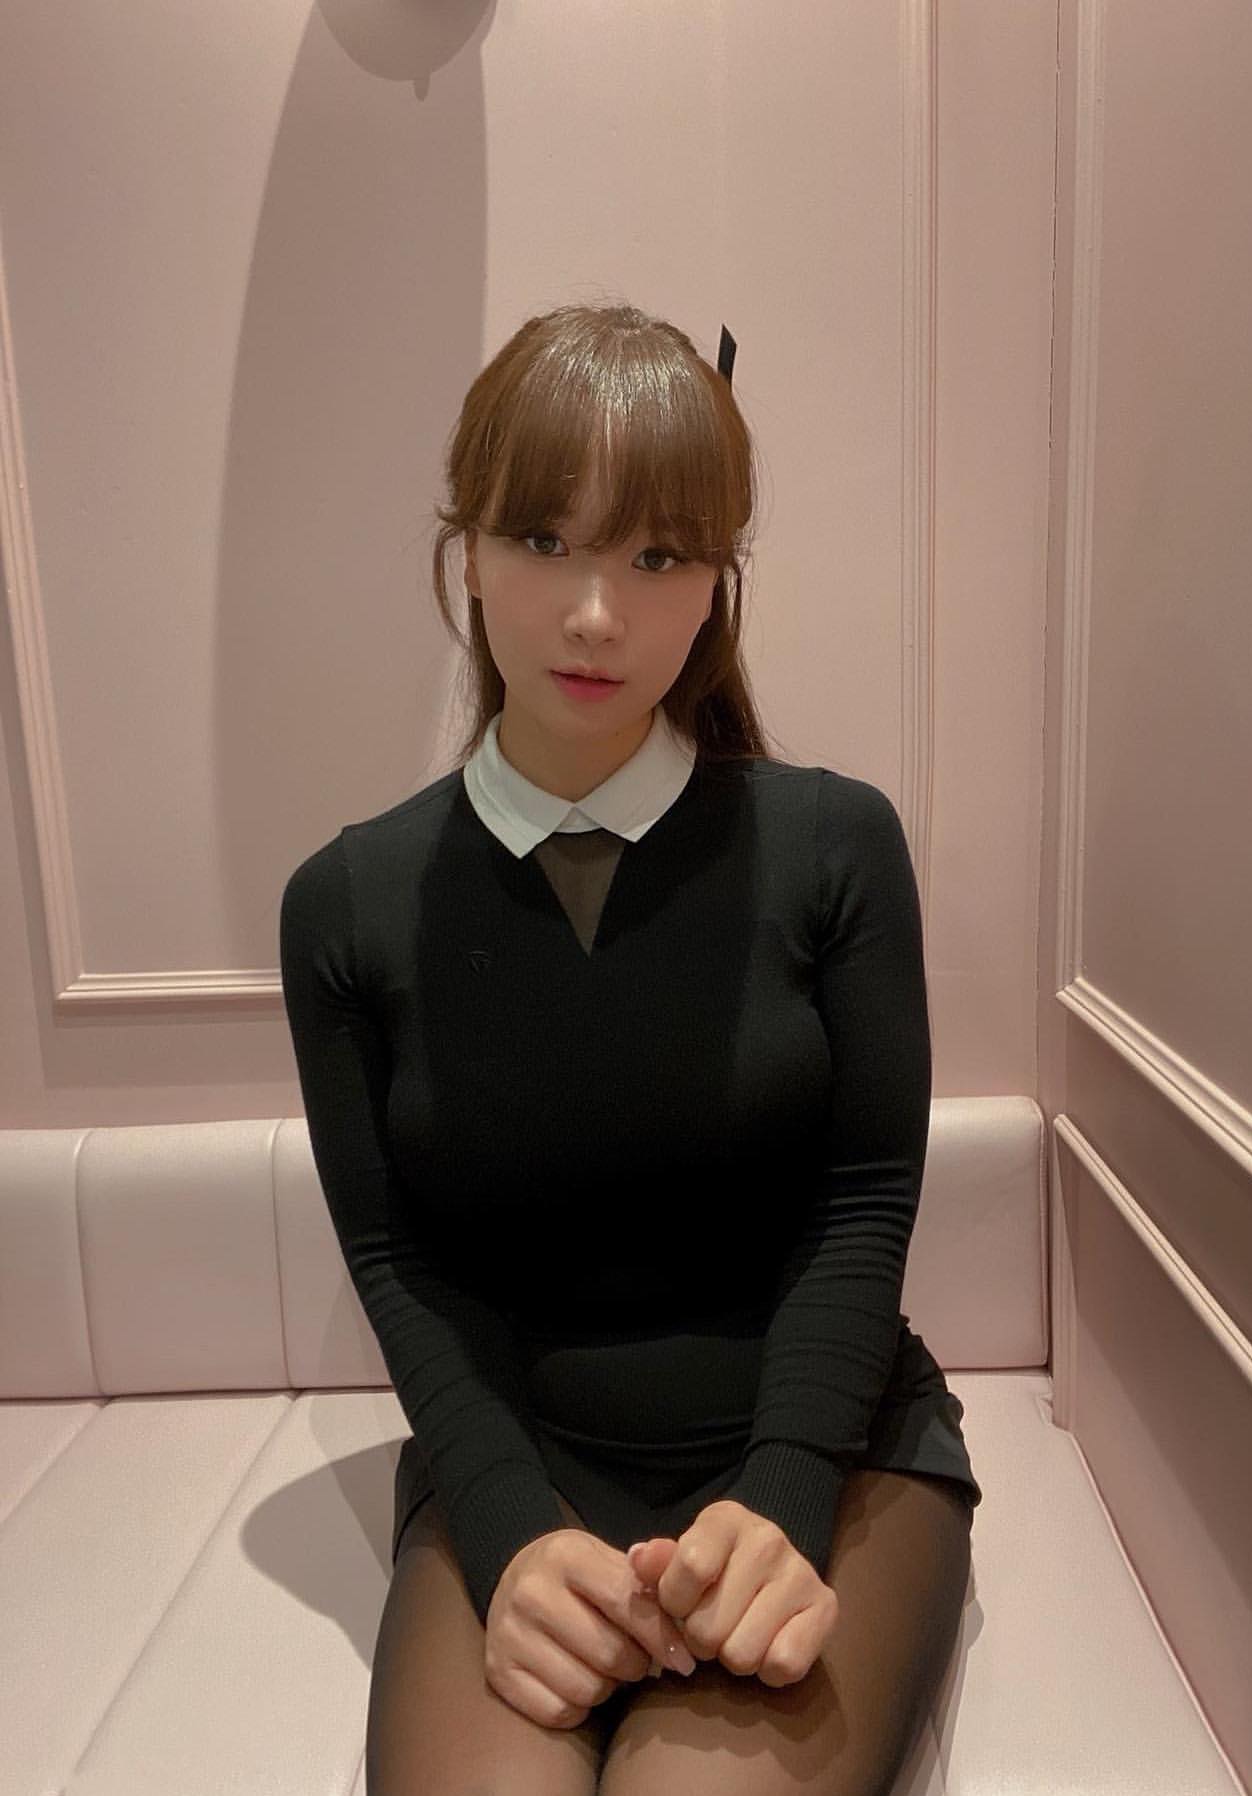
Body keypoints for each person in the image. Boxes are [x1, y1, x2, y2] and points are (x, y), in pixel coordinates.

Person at [278, 301, 981, 1796]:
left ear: (718, 583)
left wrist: (786, 1497)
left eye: (658, 556)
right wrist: (507, 1526)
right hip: (520, 1465)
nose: (597, 614)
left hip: (828, 1446)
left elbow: (864, 1206)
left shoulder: (834, 848)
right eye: (544, 540)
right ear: (468, 551)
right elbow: (399, 1262)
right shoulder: (346, 907)